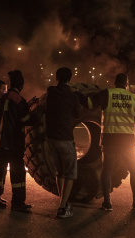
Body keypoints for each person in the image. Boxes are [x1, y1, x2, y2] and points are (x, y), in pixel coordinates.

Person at [89, 73, 135, 211]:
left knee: (107, 170)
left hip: (110, 138)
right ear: (126, 84)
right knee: (133, 170)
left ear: (115, 82)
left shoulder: (107, 94)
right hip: (127, 140)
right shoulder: (133, 98)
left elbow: (90, 104)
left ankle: (107, 203)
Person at [0, 70, 37, 211]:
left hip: (0, 142)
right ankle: (18, 203)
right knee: (18, 172)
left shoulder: (1, 98)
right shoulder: (19, 99)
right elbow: (26, 119)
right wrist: (34, 114)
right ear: (21, 85)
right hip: (14, 143)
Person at [45, 67, 81, 218]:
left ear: (56, 77)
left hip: (51, 138)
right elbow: (78, 115)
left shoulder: (51, 91)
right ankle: (62, 208)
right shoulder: (72, 96)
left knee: (59, 171)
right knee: (71, 173)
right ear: (70, 79)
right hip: (65, 138)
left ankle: (63, 203)